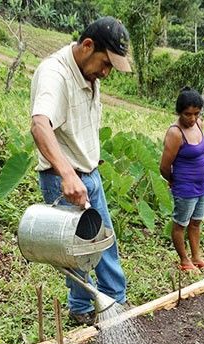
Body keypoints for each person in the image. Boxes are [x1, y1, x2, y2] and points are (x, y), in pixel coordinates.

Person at [30, 16, 131, 325]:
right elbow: (39, 125)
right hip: (65, 179)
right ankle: (82, 309)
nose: (106, 72)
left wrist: (87, 170)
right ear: (87, 46)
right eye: (105, 63)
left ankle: (116, 303)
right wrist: (68, 175)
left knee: (104, 242)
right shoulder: (54, 74)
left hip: (90, 175)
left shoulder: (90, 75)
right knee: (77, 253)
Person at [159, 87, 204, 271]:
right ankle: (184, 259)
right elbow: (164, 166)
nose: (192, 118)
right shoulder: (175, 133)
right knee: (181, 224)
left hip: (203, 185)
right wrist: (172, 180)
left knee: (196, 222)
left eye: (196, 114)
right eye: (188, 114)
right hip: (186, 186)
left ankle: (196, 256)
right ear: (179, 112)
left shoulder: (199, 124)